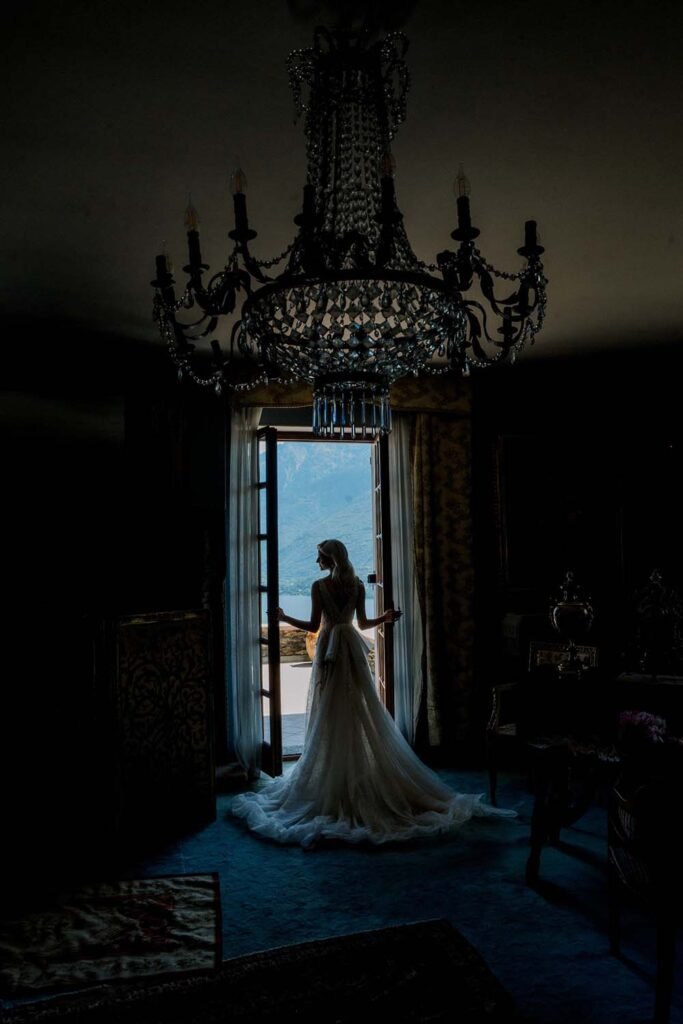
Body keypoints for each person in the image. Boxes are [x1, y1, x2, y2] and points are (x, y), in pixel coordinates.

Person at [231, 539, 516, 848]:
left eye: (319, 557)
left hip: (330, 649)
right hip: (350, 649)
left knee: (329, 710)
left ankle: (335, 775)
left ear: (330, 559)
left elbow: (314, 625)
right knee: (358, 707)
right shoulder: (355, 585)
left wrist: (284, 618)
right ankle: (353, 772)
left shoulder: (318, 587)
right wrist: (386, 618)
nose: (316, 563)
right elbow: (364, 623)